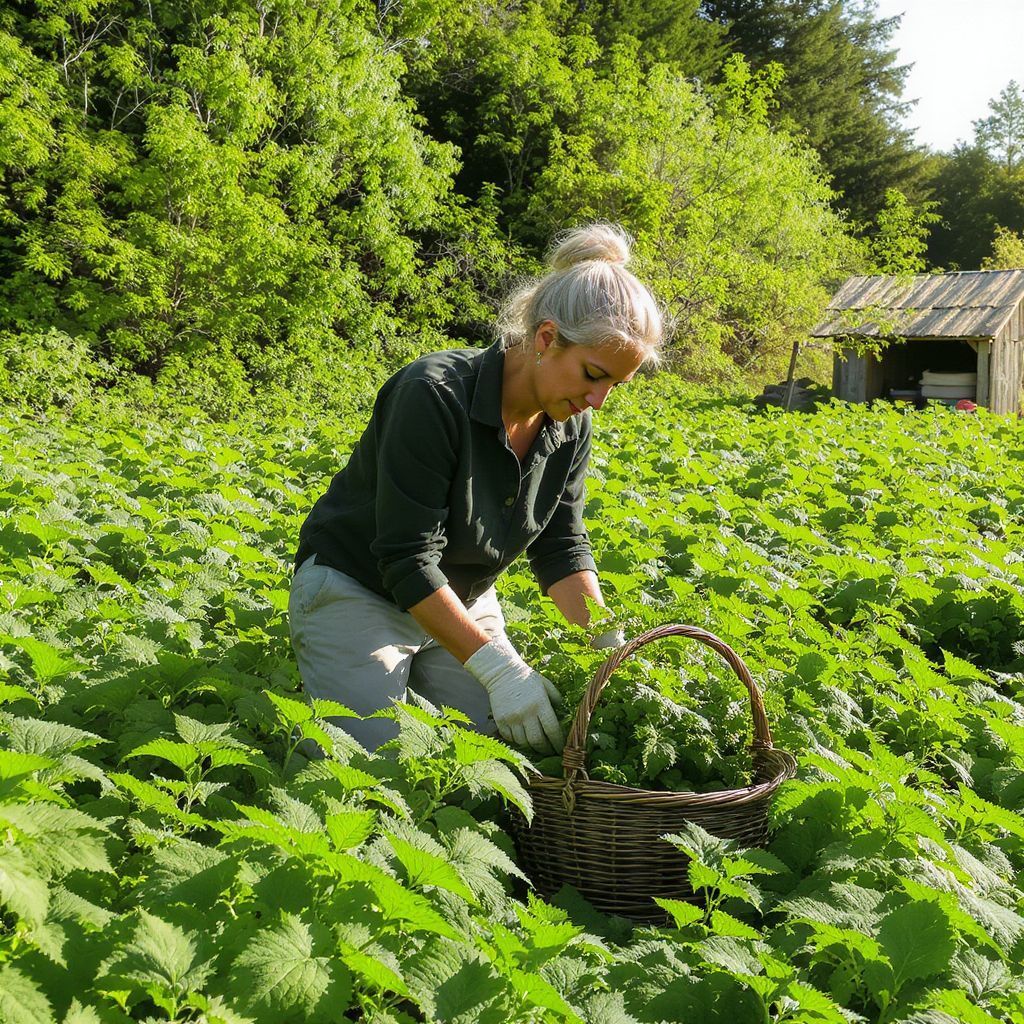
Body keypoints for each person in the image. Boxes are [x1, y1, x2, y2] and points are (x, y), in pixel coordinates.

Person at [288, 223, 664, 754]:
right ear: (546, 338)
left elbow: (561, 547)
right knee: (370, 765)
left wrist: (611, 645)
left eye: (613, 386)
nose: (598, 400)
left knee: (506, 751)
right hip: (359, 590)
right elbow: (406, 557)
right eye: (592, 374)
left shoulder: (570, 422)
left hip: (460, 596)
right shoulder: (433, 395)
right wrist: (498, 669)